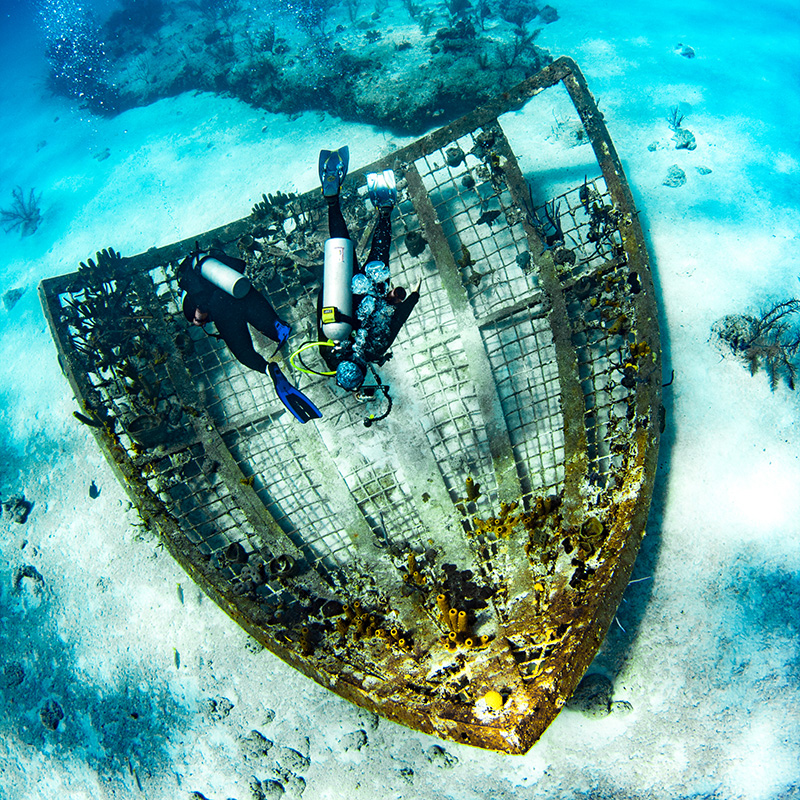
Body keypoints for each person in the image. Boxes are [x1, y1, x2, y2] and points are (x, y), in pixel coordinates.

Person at [178, 247, 321, 423]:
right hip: (240, 289)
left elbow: (198, 313)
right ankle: (278, 328)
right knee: (269, 321)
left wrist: (200, 315)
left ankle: (267, 368)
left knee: (244, 353)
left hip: (222, 308)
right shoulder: (216, 267)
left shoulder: (189, 295)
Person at [317, 147, 420, 391]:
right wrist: (327, 283)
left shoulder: (375, 350)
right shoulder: (328, 349)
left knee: (381, 248)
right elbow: (321, 312)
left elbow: (396, 322)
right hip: (343, 284)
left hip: (373, 289)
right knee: (341, 242)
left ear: (364, 371)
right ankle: (332, 200)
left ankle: (384, 207)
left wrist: (413, 297)